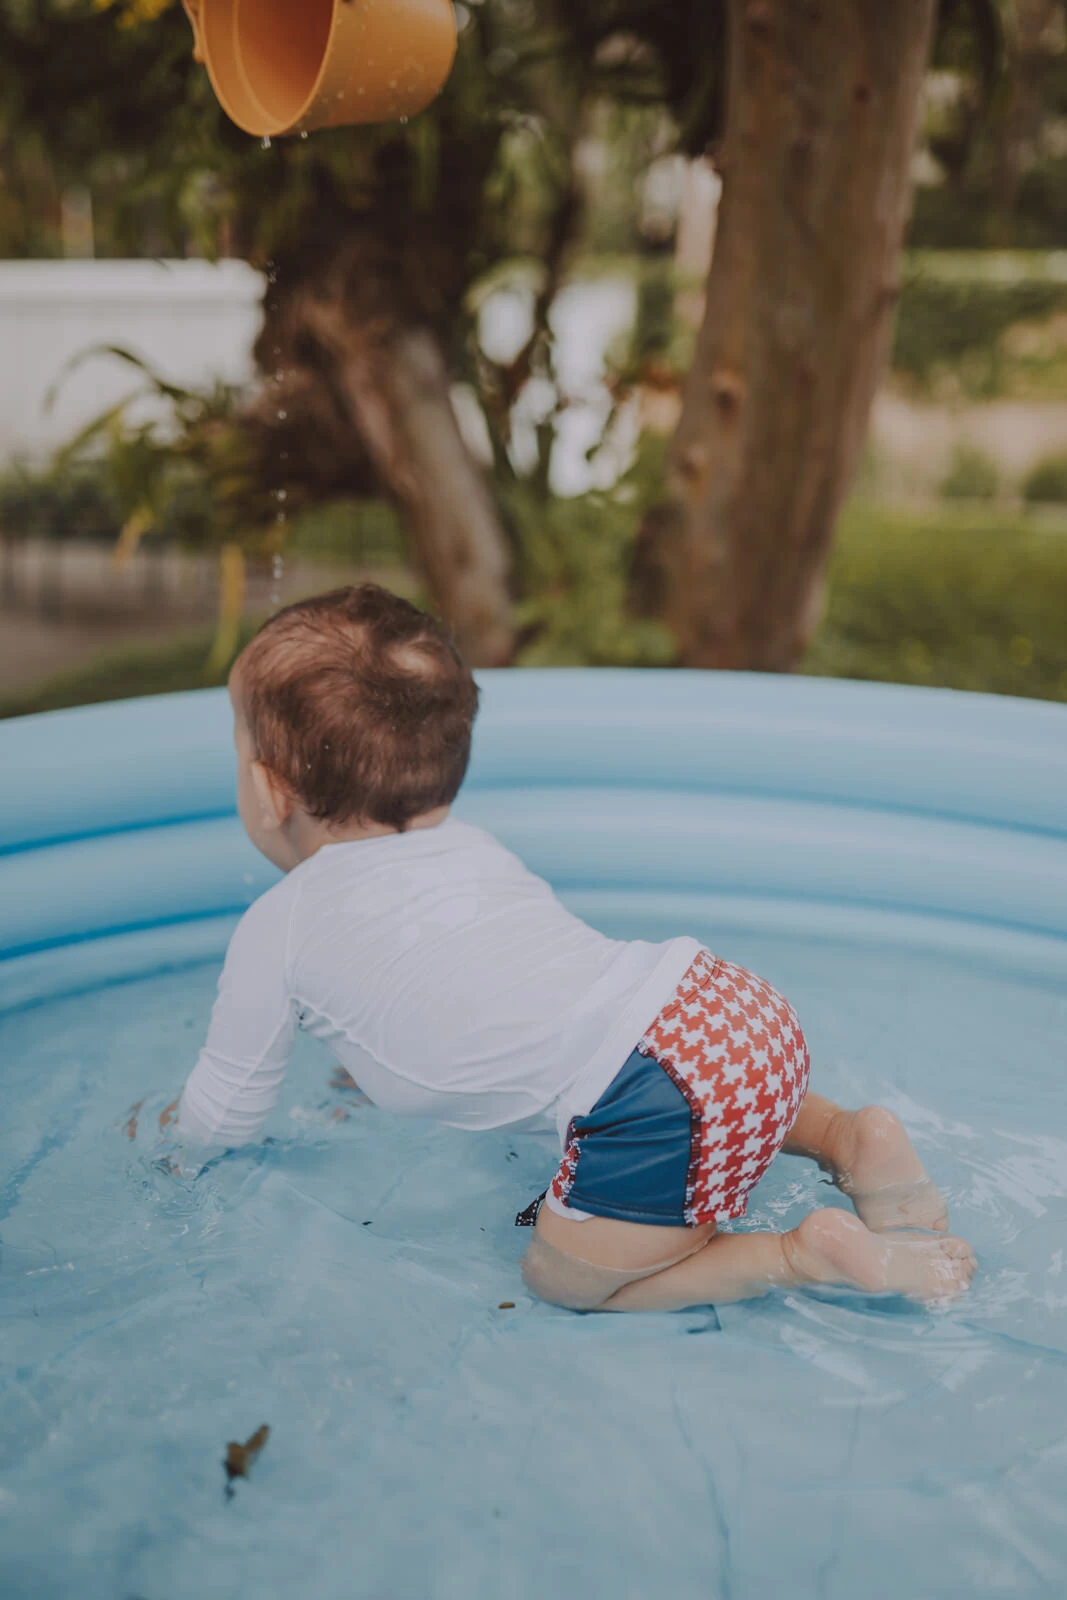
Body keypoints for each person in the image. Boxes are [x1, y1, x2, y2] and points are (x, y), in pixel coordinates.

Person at [165, 584, 976, 1313]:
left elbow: (226, 1115)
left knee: (562, 1283)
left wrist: (167, 1141)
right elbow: (506, 995)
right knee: (695, 1087)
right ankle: (846, 1137)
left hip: (642, 1094)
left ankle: (800, 1255)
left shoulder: (280, 924)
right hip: (724, 1005)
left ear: (270, 792)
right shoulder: (476, 851)